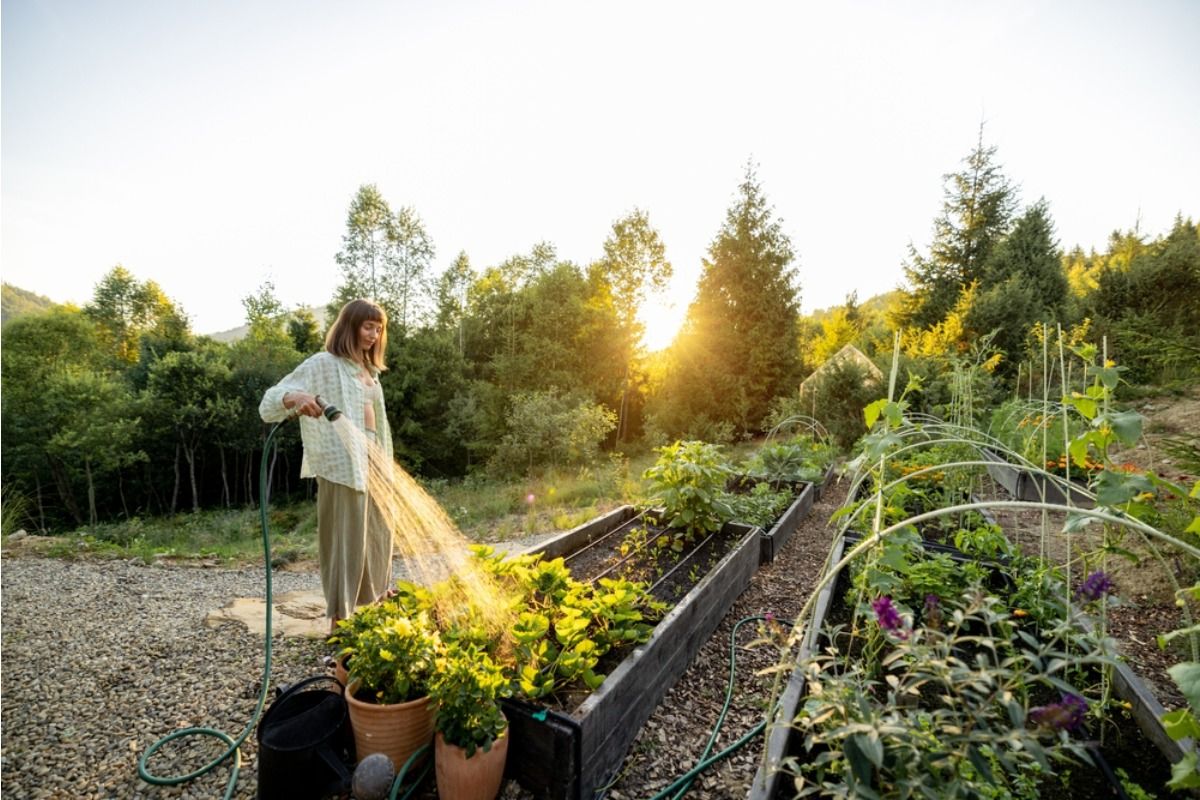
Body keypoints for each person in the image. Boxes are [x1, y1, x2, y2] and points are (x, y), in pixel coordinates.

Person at [259, 298, 394, 632]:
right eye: (367, 326)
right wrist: (297, 398)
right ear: (349, 327)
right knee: (344, 544)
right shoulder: (324, 364)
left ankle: (375, 615)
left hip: (374, 461)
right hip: (343, 466)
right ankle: (339, 627)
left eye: (379, 328)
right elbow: (269, 402)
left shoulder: (369, 371)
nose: (374, 334)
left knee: (378, 537)